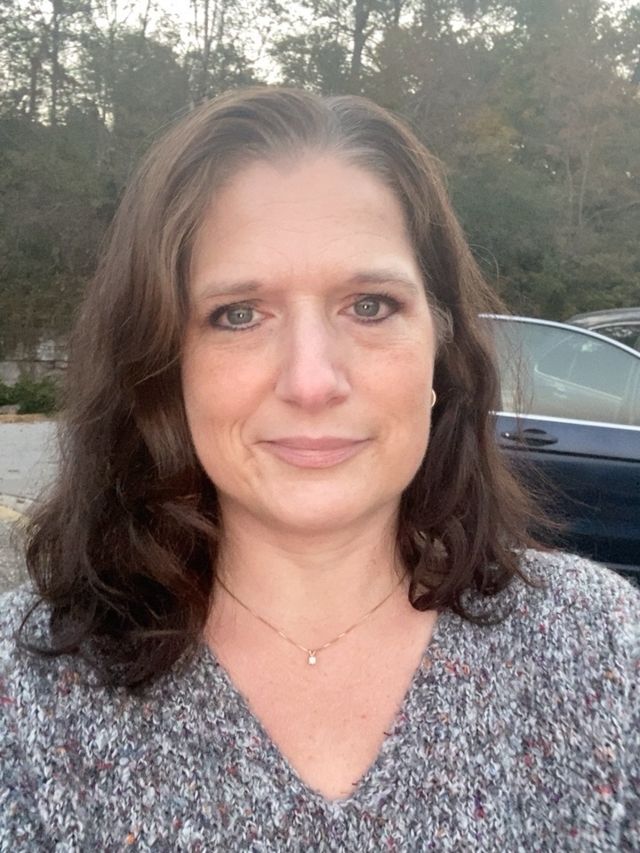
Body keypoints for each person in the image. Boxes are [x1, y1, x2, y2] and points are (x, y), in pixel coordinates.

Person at [0, 87, 637, 852]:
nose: (311, 381)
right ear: (164, 367)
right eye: (239, 314)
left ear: (439, 348)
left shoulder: (603, 651)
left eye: (369, 305)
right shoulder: (25, 692)